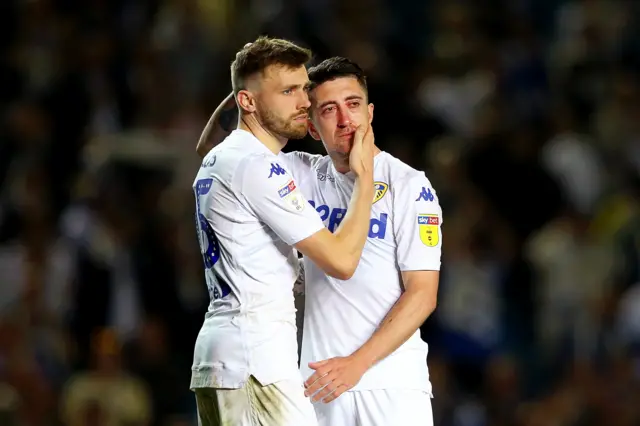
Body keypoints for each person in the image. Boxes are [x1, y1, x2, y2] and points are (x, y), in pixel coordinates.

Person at [197, 56, 442, 426]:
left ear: (371, 113)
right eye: (328, 109)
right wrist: (249, 87)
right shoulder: (299, 173)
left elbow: (423, 293)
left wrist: (357, 364)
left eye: (354, 104)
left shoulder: (408, 184)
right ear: (311, 125)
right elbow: (217, 148)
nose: (346, 119)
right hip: (317, 386)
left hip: (390, 386)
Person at [191, 39, 375, 426]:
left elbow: (204, 142)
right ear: (247, 102)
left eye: (303, 89)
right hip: (254, 359)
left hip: (229, 354)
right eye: (288, 91)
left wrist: (252, 81)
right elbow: (342, 261)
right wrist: (364, 179)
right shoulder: (256, 166)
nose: (304, 102)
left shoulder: (224, 155)